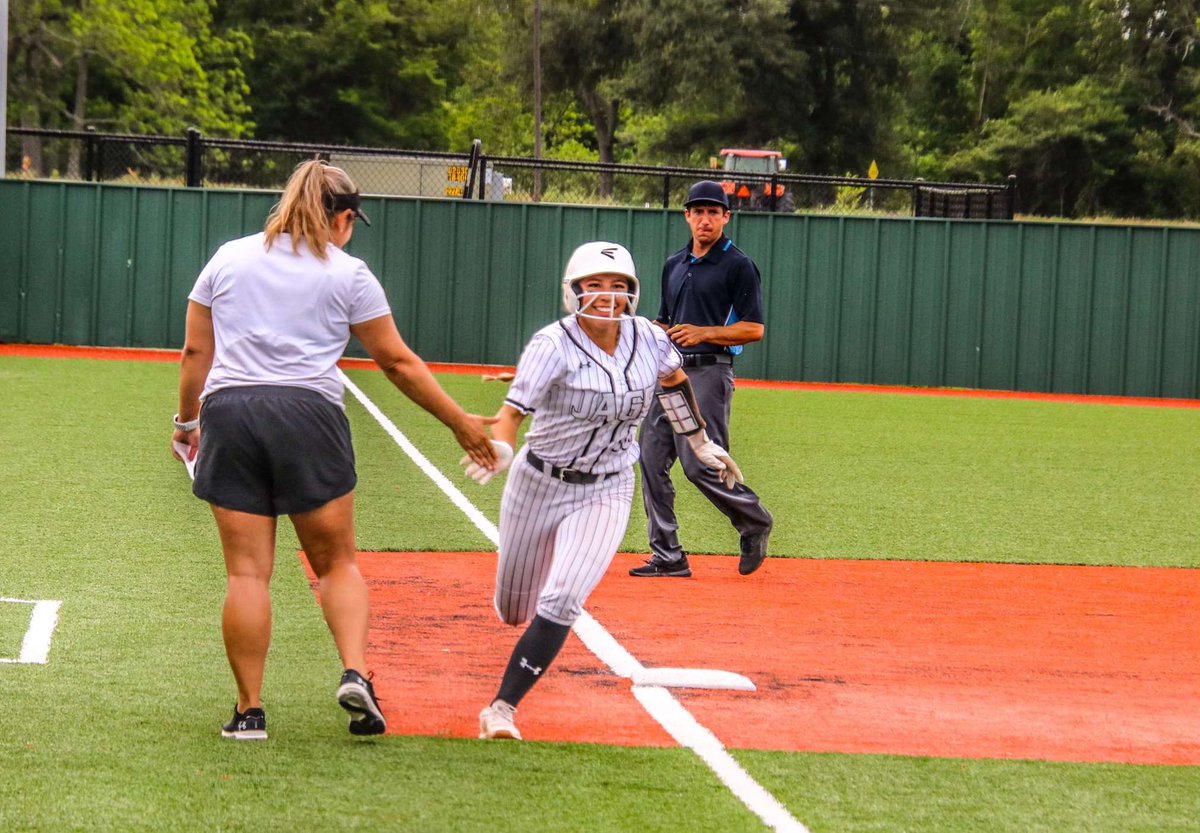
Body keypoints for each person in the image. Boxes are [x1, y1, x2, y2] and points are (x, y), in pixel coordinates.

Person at [172, 159, 498, 741]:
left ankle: (249, 713)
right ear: (344, 218)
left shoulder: (228, 256)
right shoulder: (349, 273)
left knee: (247, 574)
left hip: (232, 413)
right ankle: (354, 674)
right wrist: (460, 423)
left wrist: (187, 422)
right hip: (310, 415)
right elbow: (396, 362)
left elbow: (196, 354)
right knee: (336, 564)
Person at [461, 241, 742, 741]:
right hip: (539, 482)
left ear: (632, 293)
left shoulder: (649, 339)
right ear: (574, 290)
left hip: (608, 485)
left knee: (565, 597)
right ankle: (525, 616)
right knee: (513, 611)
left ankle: (501, 710)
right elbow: (512, 412)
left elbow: (674, 379)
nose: (606, 296)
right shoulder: (551, 343)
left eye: (618, 286)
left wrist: (700, 443)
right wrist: (501, 447)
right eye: (594, 285)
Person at [631, 180, 774, 579]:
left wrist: (703, 332)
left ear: (726, 217)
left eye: (714, 212)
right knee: (651, 457)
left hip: (711, 371)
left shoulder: (738, 265)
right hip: (669, 372)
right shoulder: (674, 263)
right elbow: (664, 322)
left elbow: (754, 329)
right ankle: (668, 555)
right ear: (687, 216)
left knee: (700, 464)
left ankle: (754, 520)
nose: (705, 219)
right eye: (699, 211)